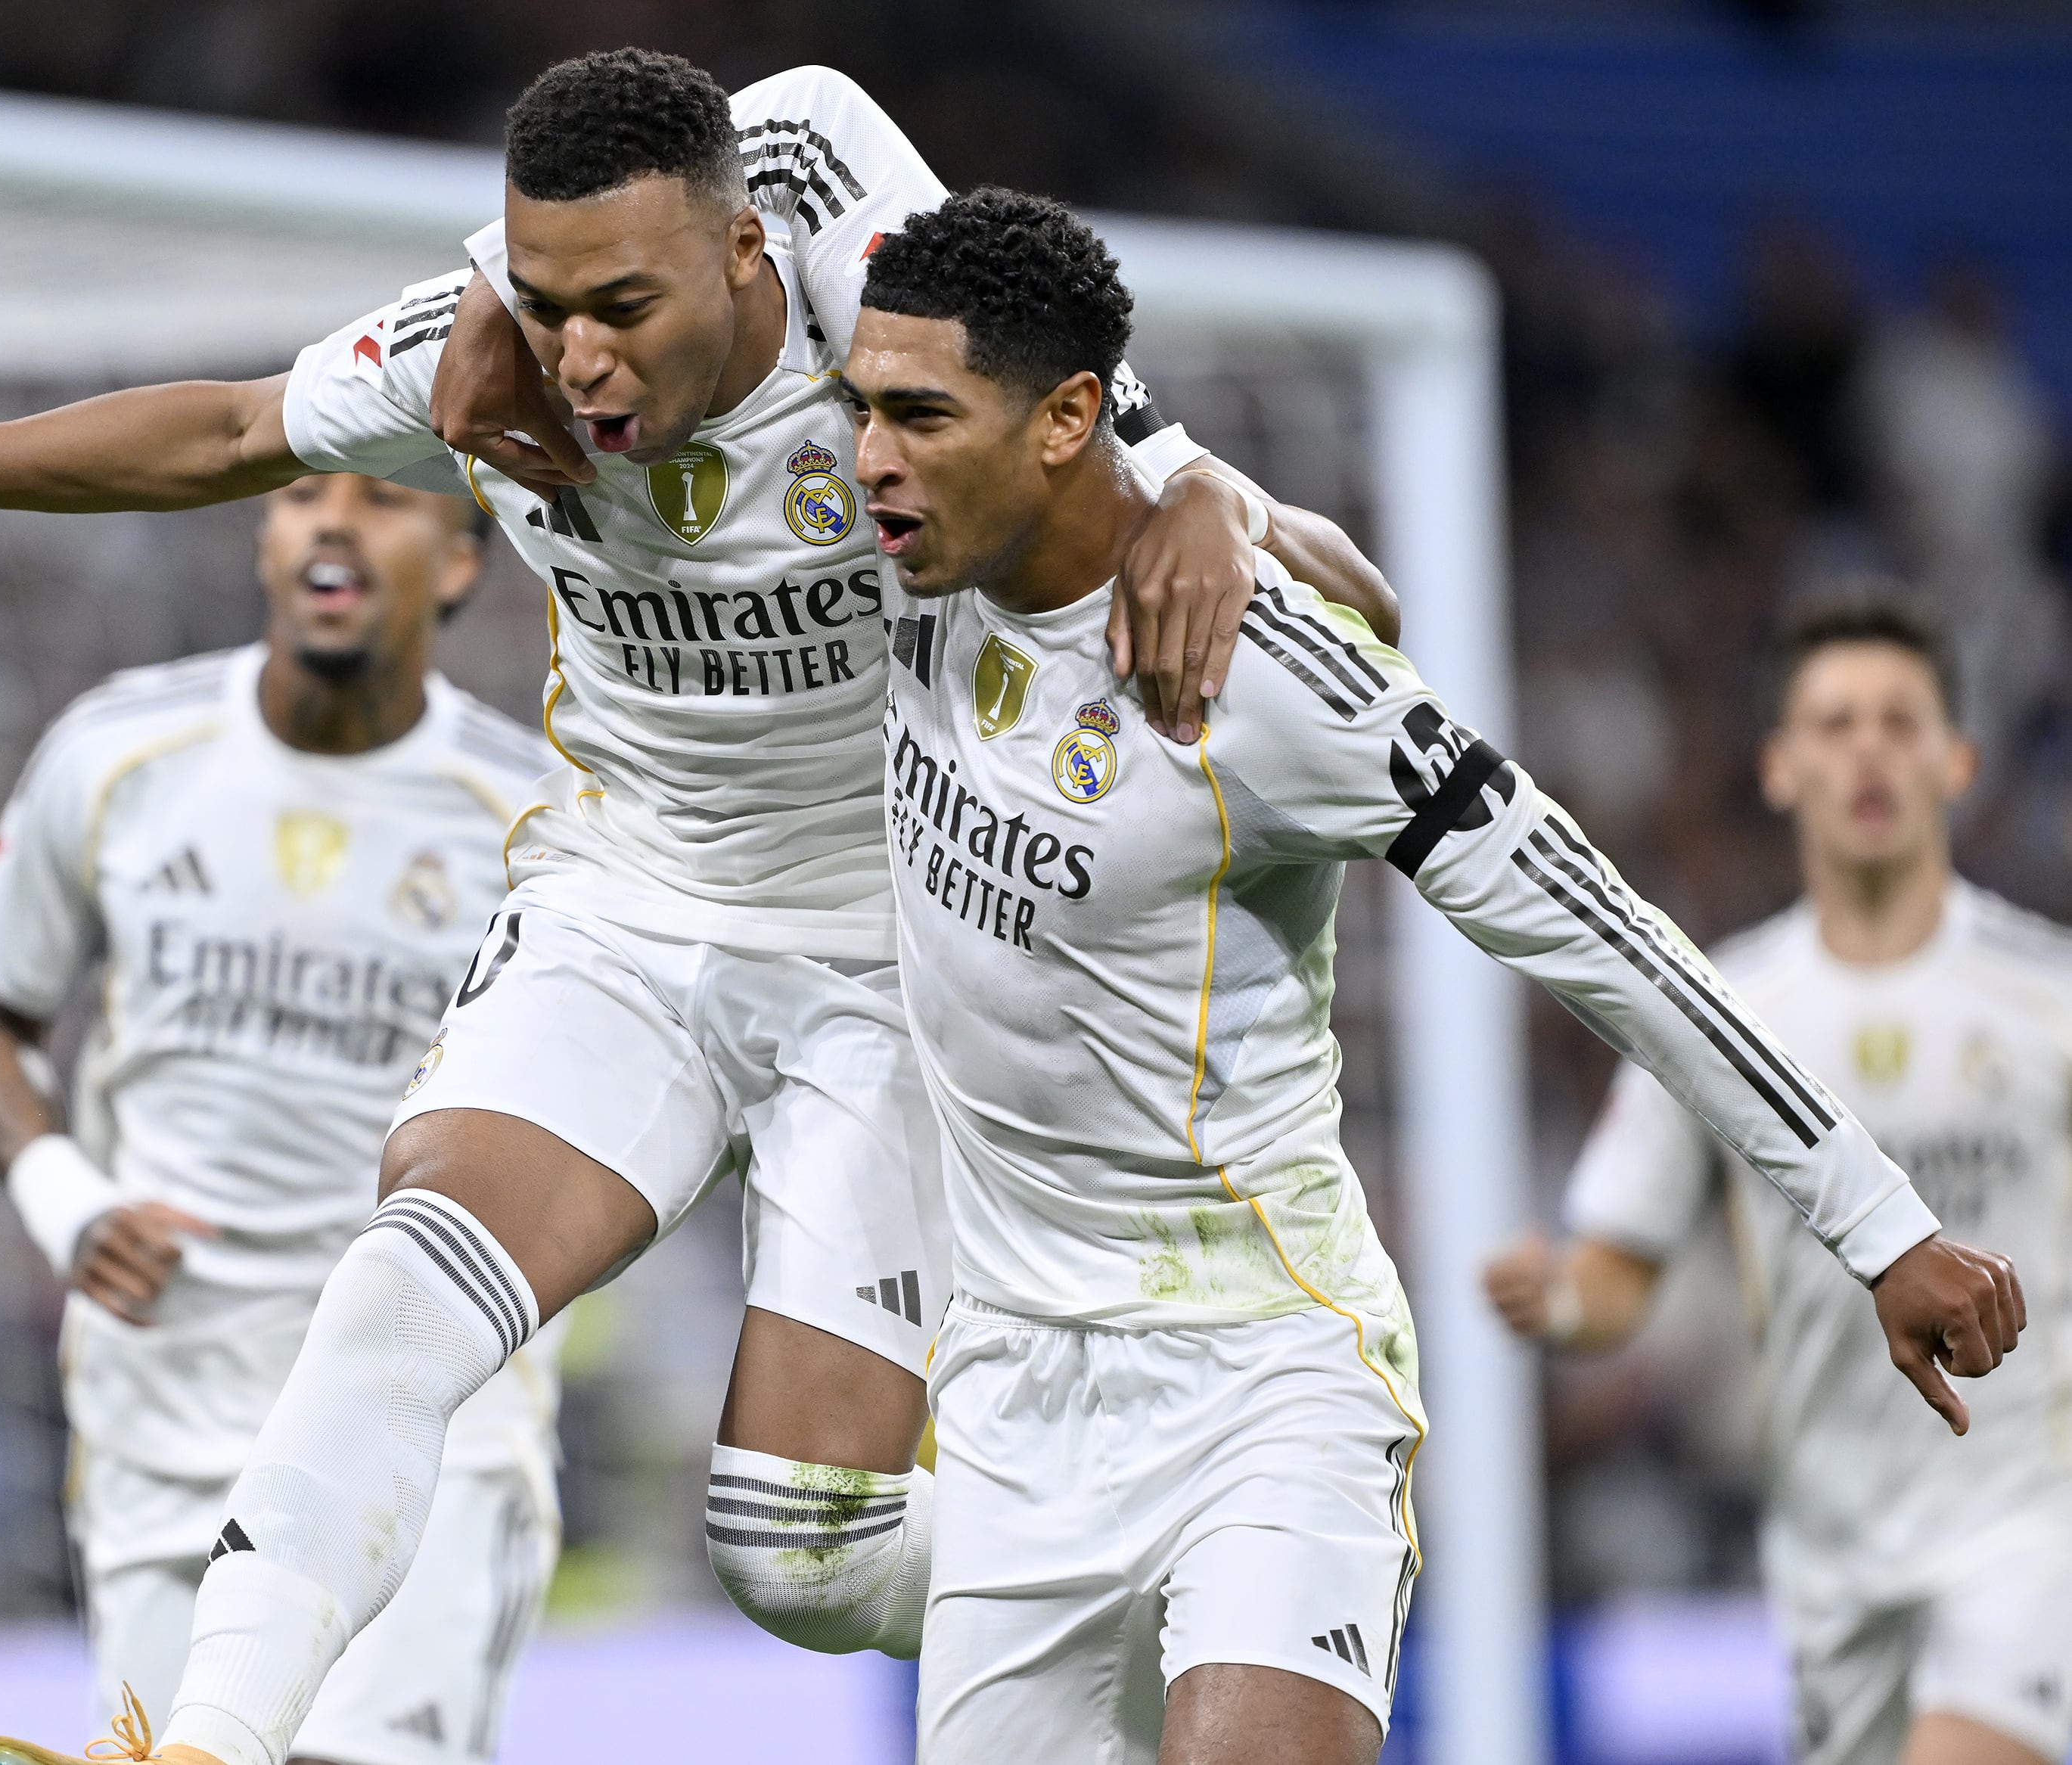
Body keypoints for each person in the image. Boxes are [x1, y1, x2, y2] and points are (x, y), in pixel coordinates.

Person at [0, 51, 1403, 1765]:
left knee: (801, 1552)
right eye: (543, 302)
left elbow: (877, 201)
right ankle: (198, 1737)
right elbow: (228, 426)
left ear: (746, 253)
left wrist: (1204, 496)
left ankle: (1167, 1574)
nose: (581, 357)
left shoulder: (882, 331)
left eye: (625, 306)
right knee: (403, 1275)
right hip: (629, 905)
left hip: (888, 956)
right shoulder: (486, 360)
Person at [837, 189, 2021, 1765]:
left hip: (1258, 1380)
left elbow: (1601, 931)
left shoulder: (1261, 674)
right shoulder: (908, 553)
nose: (866, 460)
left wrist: (1878, 1227)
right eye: (861, 410)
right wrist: (1195, 470)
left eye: (918, 418)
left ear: (1064, 422)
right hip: (1004, 1403)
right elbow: (813, 135)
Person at [0, 471, 564, 1765]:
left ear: (461, 562)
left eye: (386, 499)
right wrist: (69, 1201)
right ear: (265, 539)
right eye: (300, 496)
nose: (332, 522)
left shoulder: (533, 819)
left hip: (425, 1415)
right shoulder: (118, 753)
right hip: (160, 1409)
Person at [1485, 596, 2072, 1765]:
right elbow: (1617, 1273)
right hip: (1830, 1554)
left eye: (1899, 721)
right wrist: (1551, 1298)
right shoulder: (1726, 1017)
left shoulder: (2047, 996)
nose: (1867, 748)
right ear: (1778, 765)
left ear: (1955, 758)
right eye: (1835, 721)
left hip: (2028, 1519)